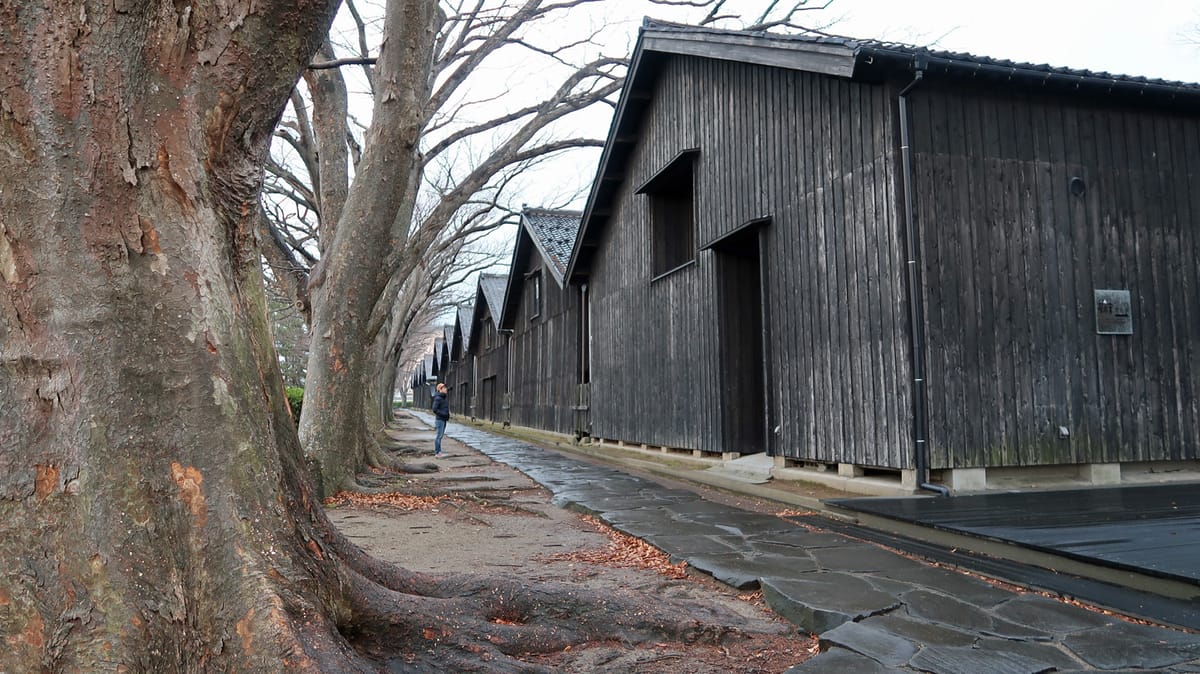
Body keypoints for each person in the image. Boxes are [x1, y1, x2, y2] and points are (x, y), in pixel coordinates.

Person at [431, 383, 450, 457]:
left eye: (445, 388)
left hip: (443, 419)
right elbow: (434, 409)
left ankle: (439, 451)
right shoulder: (438, 398)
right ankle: (437, 452)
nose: (446, 389)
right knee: (439, 436)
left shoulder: (442, 398)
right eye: (444, 388)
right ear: (440, 389)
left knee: (440, 436)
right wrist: (443, 414)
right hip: (440, 420)